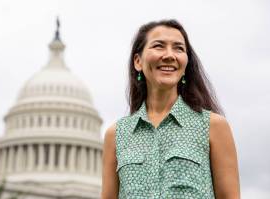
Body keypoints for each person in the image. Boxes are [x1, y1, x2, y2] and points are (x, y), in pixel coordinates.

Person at [101, 19, 240, 199]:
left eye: (178, 48)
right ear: (138, 61)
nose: (169, 55)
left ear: (186, 64)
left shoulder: (213, 126)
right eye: (159, 46)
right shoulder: (116, 134)